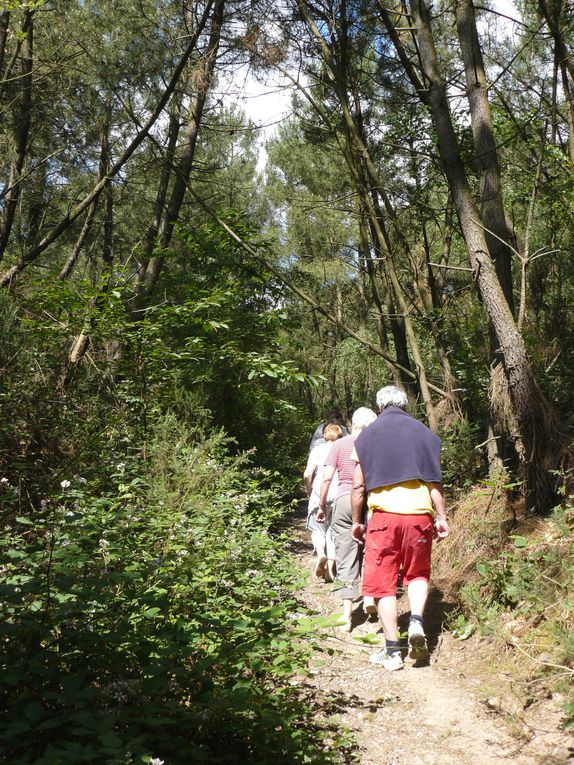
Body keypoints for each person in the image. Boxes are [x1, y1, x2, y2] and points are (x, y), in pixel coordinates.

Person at [350, 385, 449, 670]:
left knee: (382, 585)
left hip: (384, 517)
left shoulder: (366, 435)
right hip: (419, 516)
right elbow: (434, 483)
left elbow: (358, 485)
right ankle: (417, 621)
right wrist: (441, 517)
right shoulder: (424, 434)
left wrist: (357, 522)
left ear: (380, 405)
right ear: (405, 404)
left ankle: (393, 652)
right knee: (417, 574)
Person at [317, 407, 378, 632]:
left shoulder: (339, 445)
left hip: (344, 499)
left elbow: (326, 479)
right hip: (373, 499)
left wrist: (322, 505)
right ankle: (370, 595)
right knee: (372, 549)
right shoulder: (377, 445)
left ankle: (346, 614)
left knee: (345, 555)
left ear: (353, 424)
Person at [304, 423, 343, 580]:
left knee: (317, 529)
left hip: (318, 492)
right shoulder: (342, 450)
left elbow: (307, 474)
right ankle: (330, 571)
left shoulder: (317, 450)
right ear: (340, 436)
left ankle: (321, 554)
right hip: (337, 493)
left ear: (324, 435)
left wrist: (309, 490)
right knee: (331, 532)